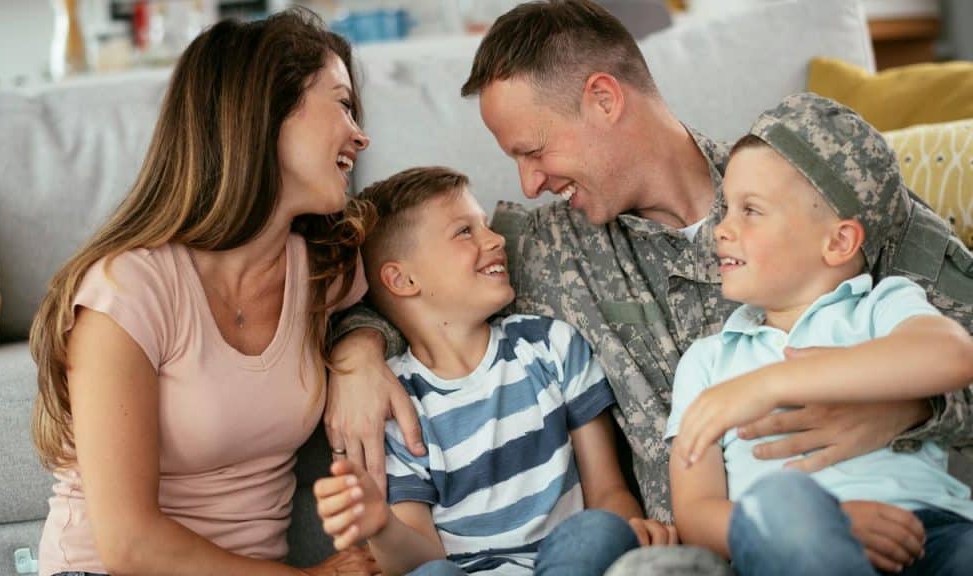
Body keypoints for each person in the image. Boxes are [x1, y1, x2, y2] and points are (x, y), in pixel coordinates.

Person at [324, 0, 973, 573]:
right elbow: (426, 281)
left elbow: (958, 335)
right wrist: (357, 350)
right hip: (709, 549)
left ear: (604, 99)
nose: (528, 183)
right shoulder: (542, 246)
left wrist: (916, 408)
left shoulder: (807, 191)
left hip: (912, 520)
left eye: (534, 151)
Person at [29, 10, 379, 576]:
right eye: (341, 104)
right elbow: (128, 544)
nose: (360, 135)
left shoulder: (323, 269)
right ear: (266, 111)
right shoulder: (129, 290)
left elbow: (395, 295)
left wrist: (362, 349)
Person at [666, 93, 973, 576]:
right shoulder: (706, 362)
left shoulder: (881, 305)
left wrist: (769, 384)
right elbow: (696, 512)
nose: (720, 228)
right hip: (792, 543)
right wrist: (826, 524)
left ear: (838, 242)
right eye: (726, 208)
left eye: (751, 210)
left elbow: (952, 355)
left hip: (927, 534)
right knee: (782, 501)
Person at [315, 167, 677, 576]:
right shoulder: (396, 403)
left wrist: (632, 533)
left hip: (567, 563)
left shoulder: (551, 346)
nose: (496, 239)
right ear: (402, 278)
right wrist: (380, 526)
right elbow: (420, 559)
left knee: (598, 531)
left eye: (485, 225)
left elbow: (608, 489)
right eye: (464, 232)